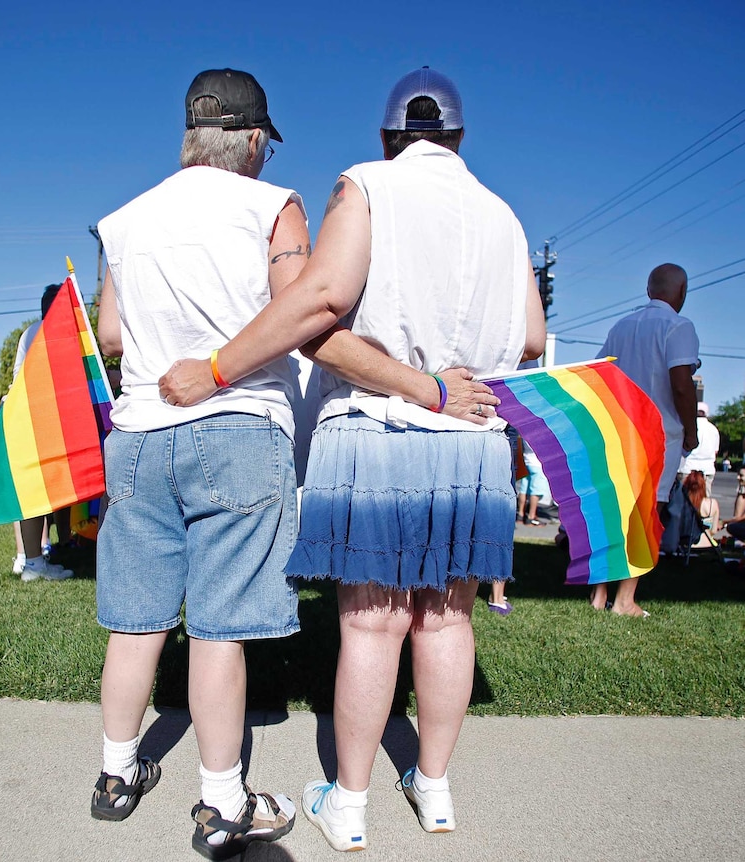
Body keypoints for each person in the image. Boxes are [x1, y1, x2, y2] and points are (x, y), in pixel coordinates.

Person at [160, 66, 545, 851]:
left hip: (378, 425)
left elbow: (322, 300)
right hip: (472, 441)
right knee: (448, 623)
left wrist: (225, 364)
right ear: (459, 139)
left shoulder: (365, 184)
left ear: (388, 137)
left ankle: (351, 804)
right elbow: (533, 338)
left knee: (372, 630)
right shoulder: (504, 215)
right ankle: (434, 790)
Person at [92, 68, 315, 859]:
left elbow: (113, 335)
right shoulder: (271, 204)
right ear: (255, 139)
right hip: (235, 421)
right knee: (220, 628)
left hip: (140, 432)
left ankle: (117, 775)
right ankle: (223, 802)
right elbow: (303, 309)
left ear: (191, 135)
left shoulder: (125, 221)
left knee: (136, 617)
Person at [591, 263, 699, 616]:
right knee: (647, 513)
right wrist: (692, 430)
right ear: (681, 293)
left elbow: (600, 373)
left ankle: (598, 596)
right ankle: (624, 601)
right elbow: (682, 384)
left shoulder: (621, 326)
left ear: (649, 289)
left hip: (620, 429)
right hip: (658, 434)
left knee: (615, 511)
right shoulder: (679, 326)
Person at [10, 284, 74, 582]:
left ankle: (30, 557)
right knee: (39, 492)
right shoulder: (58, 333)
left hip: (24, 416)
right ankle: (34, 562)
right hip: (43, 418)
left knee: (32, 491)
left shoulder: (29, 332)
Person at [678, 402, 719, 495]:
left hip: (687, 467)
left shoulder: (687, 427)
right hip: (707, 468)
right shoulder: (713, 430)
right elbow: (715, 451)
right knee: (705, 499)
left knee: (684, 499)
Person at [681, 470, 720, 548]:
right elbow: (714, 531)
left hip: (686, 545)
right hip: (706, 544)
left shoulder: (683, 503)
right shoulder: (712, 504)